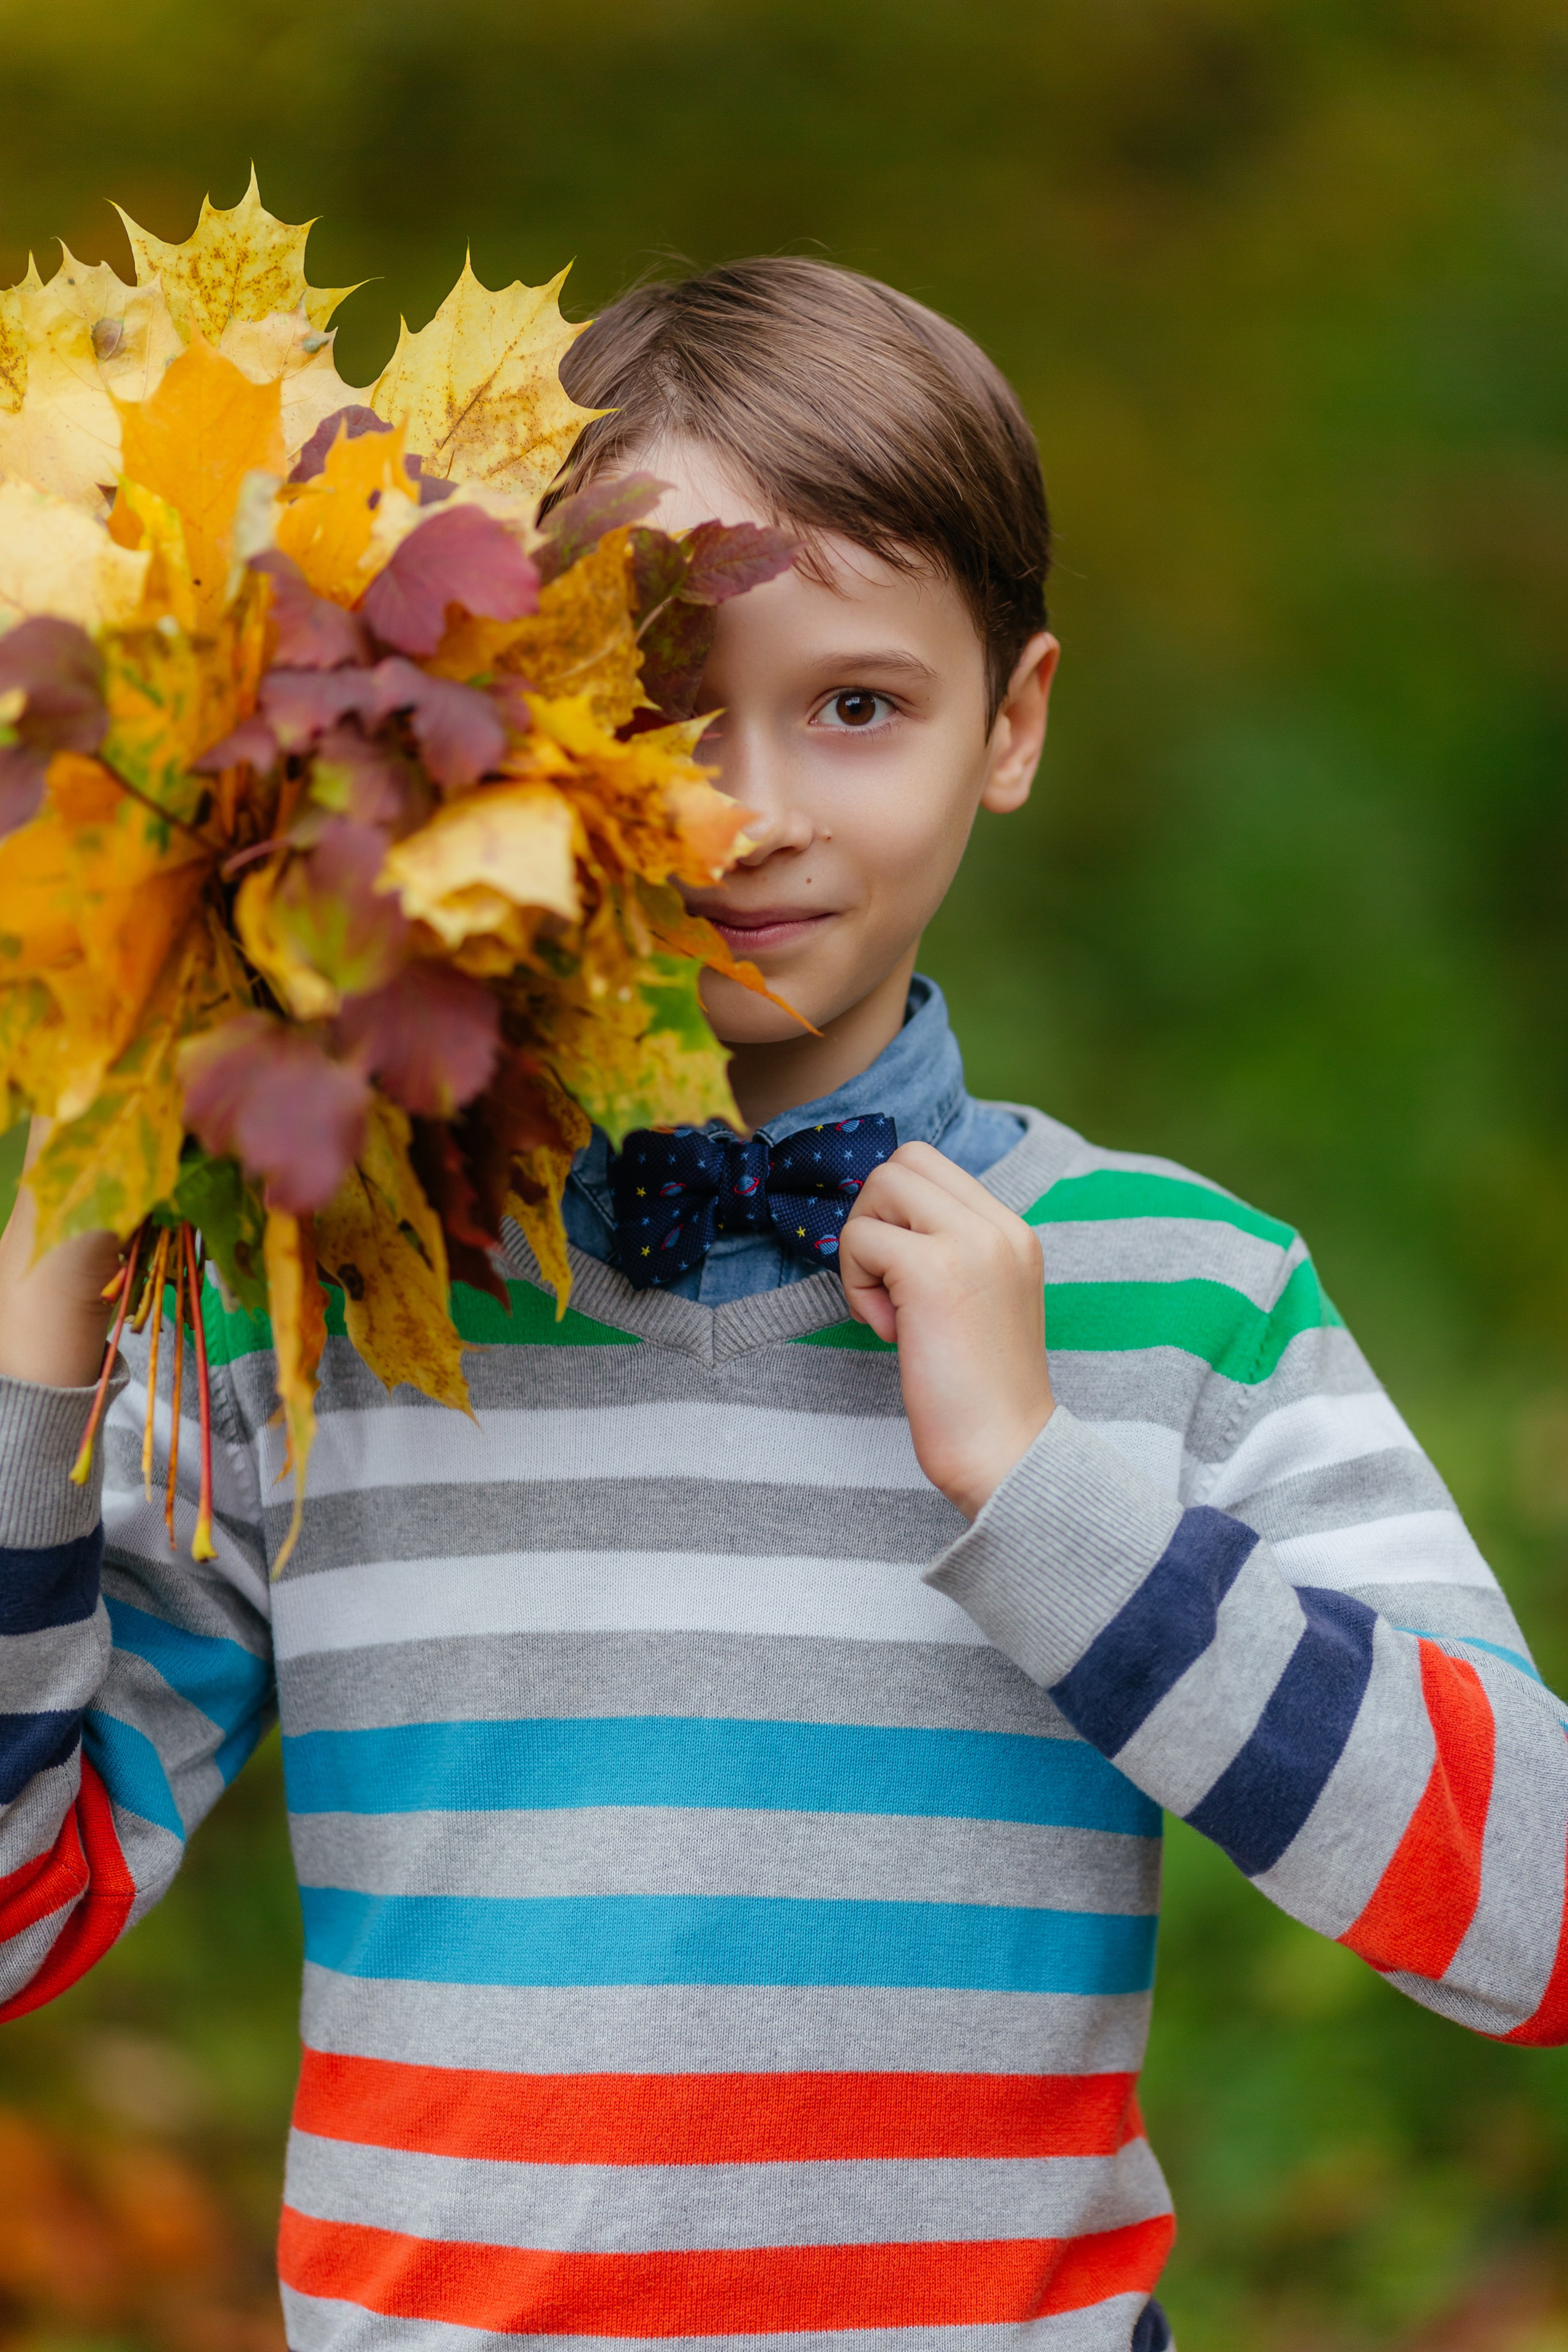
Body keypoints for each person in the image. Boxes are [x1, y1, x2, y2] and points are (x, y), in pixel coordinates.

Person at [1, 257, 1564, 2352]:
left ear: (1010, 726)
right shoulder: (324, 1293)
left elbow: (1533, 1921)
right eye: (651, 705)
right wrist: (39, 1351)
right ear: (493, 720)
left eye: (859, 703)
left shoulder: (1185, 1298)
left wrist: (1050, 1495)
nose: (744, 811)